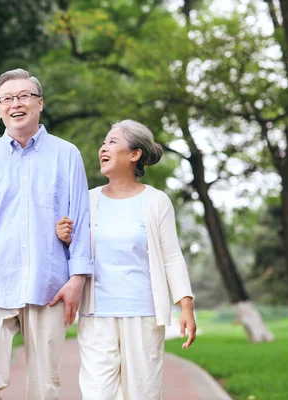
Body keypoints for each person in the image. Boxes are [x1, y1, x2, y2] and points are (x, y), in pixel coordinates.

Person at [0, 68, 92, 400]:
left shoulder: (66, 155)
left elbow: (81, 220)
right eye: (7, 99)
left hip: (49, 284)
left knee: (45, 388)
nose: (16, 104)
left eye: (24, 96)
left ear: (40, 103)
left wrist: (78, 279)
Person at [55, 119, 197, 400]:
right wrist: (66, 237)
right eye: (104, 143)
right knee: (97, 394)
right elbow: (79, 252)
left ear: (135, 155)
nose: (102, 148)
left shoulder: (156, 201)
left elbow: (171, 257)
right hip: (96, 315)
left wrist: (186, 306)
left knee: (142, 393)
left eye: (112, 142)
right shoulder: (88, 199)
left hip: (142, 314)